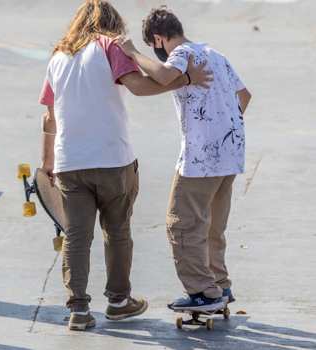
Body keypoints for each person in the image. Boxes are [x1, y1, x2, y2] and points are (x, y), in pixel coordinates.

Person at [38, 0, 212, 331]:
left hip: (68, 163)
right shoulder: (109, 46)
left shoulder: (57, 57)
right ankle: (118, 302)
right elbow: (140, 87)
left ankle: (78, 309)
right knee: (116, 231)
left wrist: (47, 160)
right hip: (111, 160)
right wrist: (185, 79)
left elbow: (49, 116)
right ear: (111, 22)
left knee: (76, 236)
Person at [117, 6, 252, 312]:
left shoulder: (182, 54)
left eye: (156, 48)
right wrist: (223, 124)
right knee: (212, 226)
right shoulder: (215, 54)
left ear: (159, 39)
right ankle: (221, 284)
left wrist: (132, 53)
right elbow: (244, 96)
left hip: (201, 158)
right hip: (229, 155)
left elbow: (164, 76)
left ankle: (203, 292)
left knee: (181, 224)